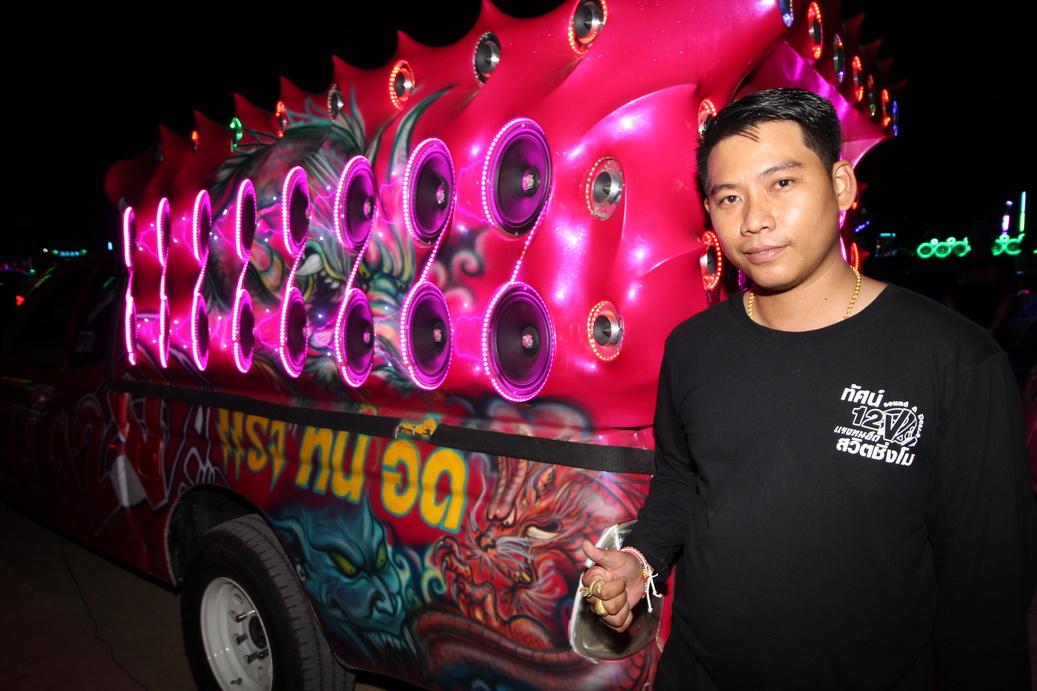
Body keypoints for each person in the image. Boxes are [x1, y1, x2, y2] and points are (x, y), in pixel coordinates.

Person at [580, 88, 1035, 689]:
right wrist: (641, 560)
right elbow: (680, 483)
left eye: (782, 183)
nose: (754, 220)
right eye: (729, 197)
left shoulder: (956, 360)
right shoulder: (692, 347)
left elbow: (985, 595)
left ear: (841, 186)